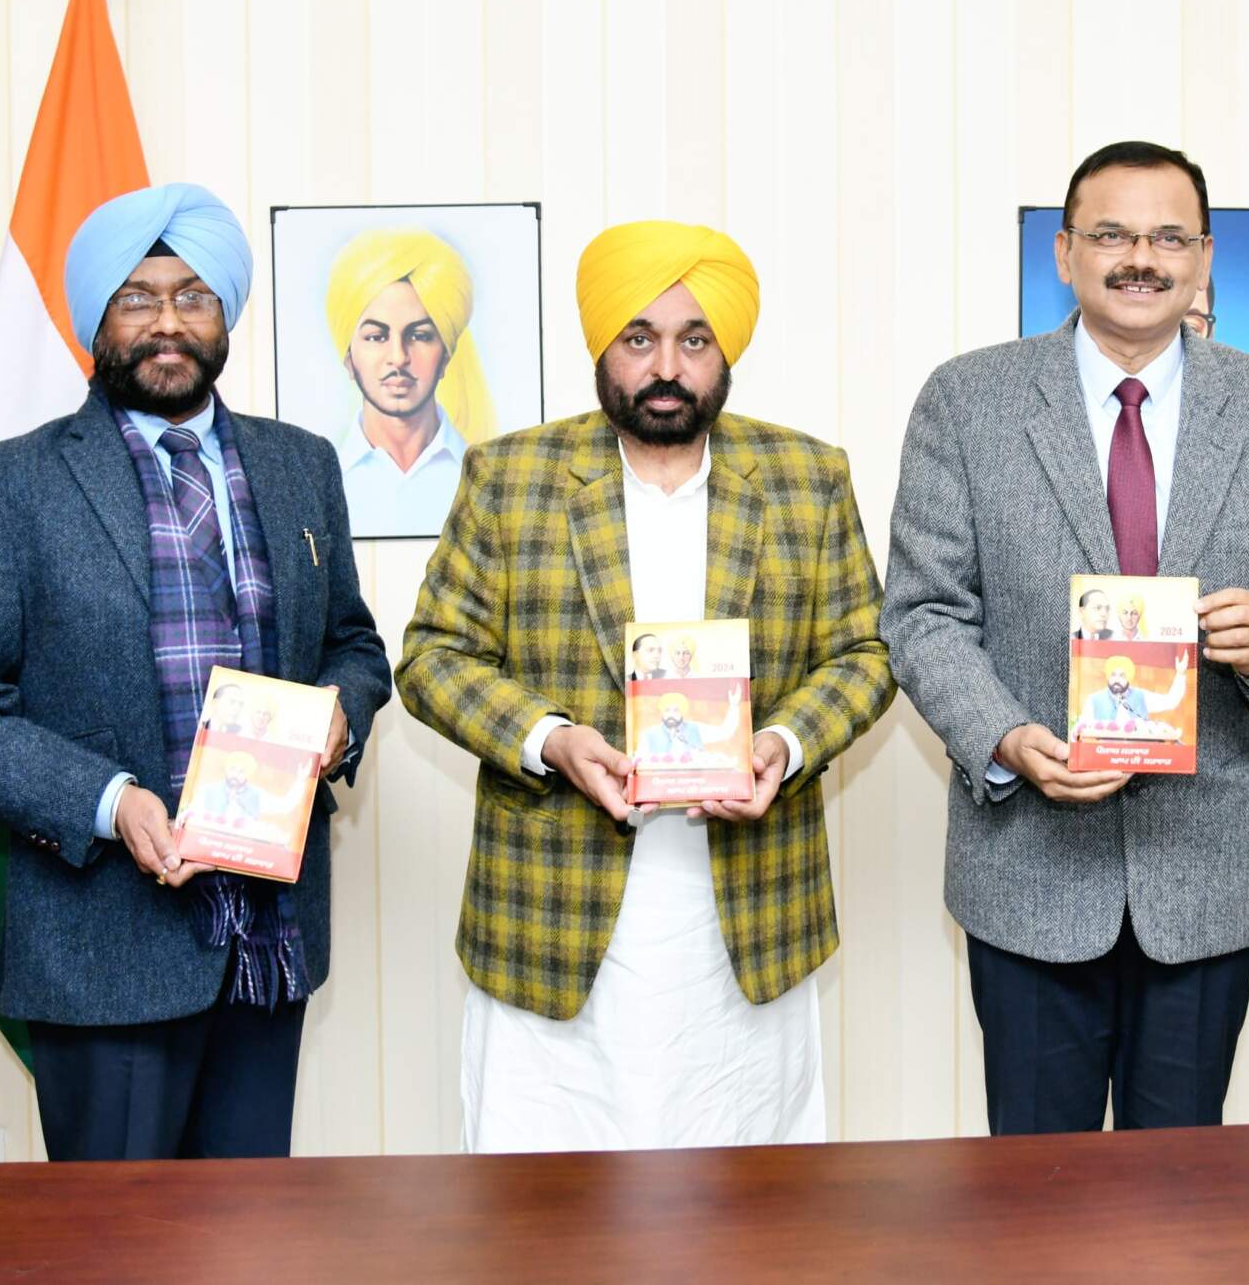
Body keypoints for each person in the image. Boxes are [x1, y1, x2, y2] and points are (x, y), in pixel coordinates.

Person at [0, 182, 391, 1162]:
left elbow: (353, 642)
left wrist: (340, 714)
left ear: (225, 315)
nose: (168, 321)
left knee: (248, 1231)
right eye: (137, 297)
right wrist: (109, 800)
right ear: (97, 320)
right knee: (115, 1239)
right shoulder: (5, 483)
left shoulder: (300, 465)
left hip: (269, 940)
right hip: (103, 944)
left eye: (193, 296)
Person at [882, 140, 1249, 1133]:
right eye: (1111, 234)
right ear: (1063, 252)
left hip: (1209, 869)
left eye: (1169, 237)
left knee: (1180, 1186)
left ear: (1205, 257)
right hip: (1028, 870)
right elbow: (924, 611)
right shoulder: (967, 401)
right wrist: (1005, 737)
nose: (1140, 257)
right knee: (1037, 1185)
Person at [398, 220, 896, 1152]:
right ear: (602, 344)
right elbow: (433, 656)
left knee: (747, 1197)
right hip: (551, 918)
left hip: (748, 919)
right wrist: (550, 739)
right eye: (640, 337)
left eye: (693, 339)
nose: (666, 366)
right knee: (542, 1201)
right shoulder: (510, 476)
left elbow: (865, 653)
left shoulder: (807, 476)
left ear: (725, 350)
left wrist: (782, 747)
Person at [324, 226, 494, 535]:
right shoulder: (322, 482)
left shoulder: (488, 479)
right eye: (376, 337)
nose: (398, 357)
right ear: (348, 358)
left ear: (446, 355)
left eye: (419, 336)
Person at [1073, 652, 1190, 742]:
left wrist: (1180, 674)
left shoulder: (1141, 696)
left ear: (1129, 678)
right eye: (1113, 674)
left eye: (1122, 675)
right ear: (1108, 677)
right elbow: (1081, 730)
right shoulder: (1094, 699)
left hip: (1138, 755)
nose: (1117, 679)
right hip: (1103, 754)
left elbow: (1170, 701)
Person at [637, 694, 707, 761]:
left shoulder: (692, 729)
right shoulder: (650, 733)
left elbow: (700, 755)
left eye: (676, 710)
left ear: (682, 712)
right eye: (667, 710)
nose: (671, 714)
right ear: (662, 712)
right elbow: (641, 758)